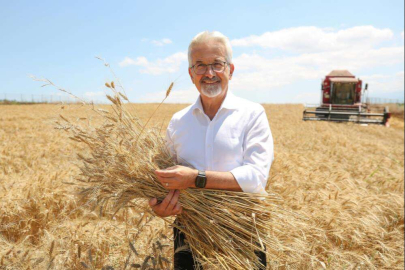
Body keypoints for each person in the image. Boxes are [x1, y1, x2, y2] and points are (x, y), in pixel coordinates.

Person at [148, 31, 274, 270]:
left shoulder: (252, 114)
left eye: (217, 64)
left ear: (231, 70)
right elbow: (162, 179)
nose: (209, 73)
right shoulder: (178, 122)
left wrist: (196, 179)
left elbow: (256, 178)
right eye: (200, 66)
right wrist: (159, 205)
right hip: (189, 231)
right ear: (190, 74)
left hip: (242, 231)